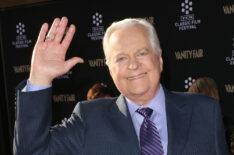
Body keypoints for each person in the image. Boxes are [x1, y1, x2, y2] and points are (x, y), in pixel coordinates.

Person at [14, 17, 229, 155]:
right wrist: (40, 78)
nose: (133, 64)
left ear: (160, 59)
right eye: (121, 58)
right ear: (110, 69)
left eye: (142, 53)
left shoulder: (204, 110)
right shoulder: (89, 118)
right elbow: (31, 152)